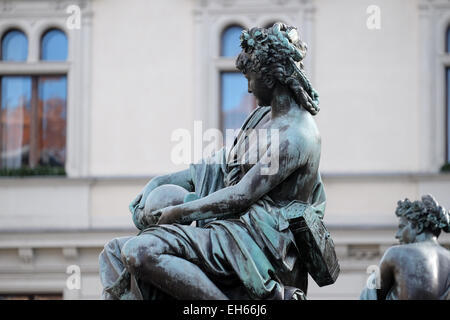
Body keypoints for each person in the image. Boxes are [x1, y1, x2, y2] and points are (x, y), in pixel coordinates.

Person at [99, 23, 326, 300]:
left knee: (140, 252)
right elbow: (219, 166)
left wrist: (177, 213)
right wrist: (160, 182)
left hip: (258, 242)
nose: (248, 88)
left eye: (251, 78)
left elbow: (241, 195)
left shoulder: (297, 136)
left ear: (272, 77)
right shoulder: (260, 118)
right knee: (114, 253)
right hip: (230, 230)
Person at [361, 194, 450, 300]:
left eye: (402, 227)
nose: (397, 235)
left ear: (419, 227)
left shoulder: (397, 254)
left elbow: (370, 296)